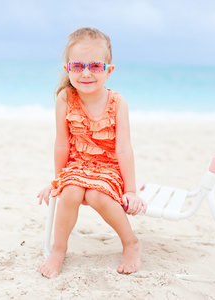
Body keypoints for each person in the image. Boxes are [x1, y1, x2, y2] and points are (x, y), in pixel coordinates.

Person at [37, 27, 146, 279]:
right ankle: (58, 249)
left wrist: (130, 190)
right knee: (71, 191)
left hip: (108, 168)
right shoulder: (66, 97)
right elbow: (62, 144)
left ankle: (130, 242)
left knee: (97, 195)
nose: (86, 73)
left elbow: (124, 147)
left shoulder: (117, 102)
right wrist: (57, 180)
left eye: (95, 66)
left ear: (109, 70)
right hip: (76, 166)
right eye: (78, 66)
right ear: (68, 69)